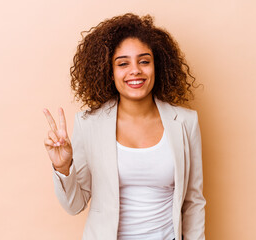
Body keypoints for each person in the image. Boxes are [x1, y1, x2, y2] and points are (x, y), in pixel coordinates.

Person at [43, 13, 206, 240]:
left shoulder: (186, 122)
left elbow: (193, 202)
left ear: (156, 65)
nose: (135, 70)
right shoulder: (89, 124)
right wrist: (63, 168)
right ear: (109, 71)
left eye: (144, 61)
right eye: (123, 63)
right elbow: (75, 205)